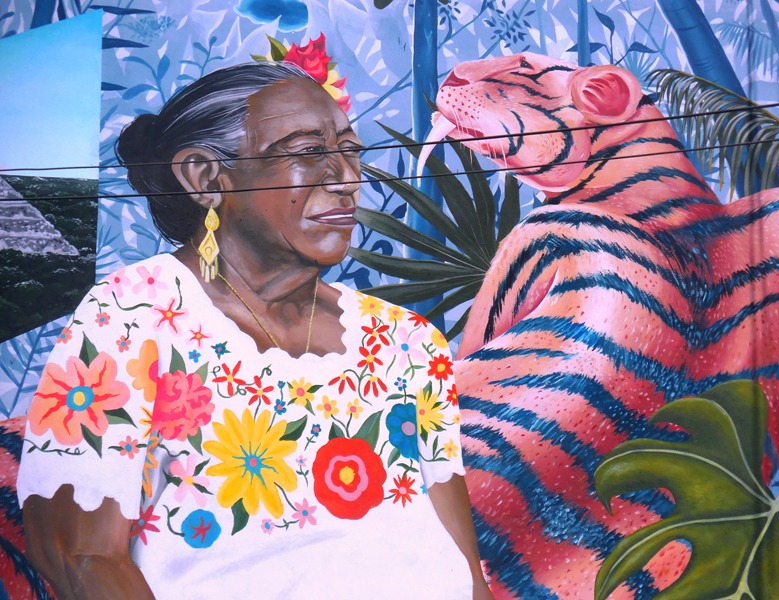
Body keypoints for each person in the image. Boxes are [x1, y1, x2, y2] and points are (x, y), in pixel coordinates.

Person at [17, 62, 493, 599]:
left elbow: (466, 572)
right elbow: (77, 552)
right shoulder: (133, 317)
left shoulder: (407, 342)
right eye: (308, 152)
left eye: (350, 151)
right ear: (204, 178)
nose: (345, 178)